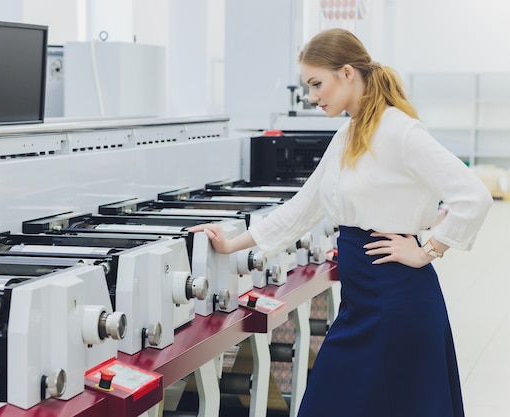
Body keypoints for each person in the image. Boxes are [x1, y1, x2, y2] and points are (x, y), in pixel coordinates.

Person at [189, 28, 492, 417]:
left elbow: (474, 196)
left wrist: (428, 251)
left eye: (317, 83)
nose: (312, 96)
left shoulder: (399, 130)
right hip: (361, 302)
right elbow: (304, 206)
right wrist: (233, 243)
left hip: (397, 299)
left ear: (347, 73)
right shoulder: (348, 134)